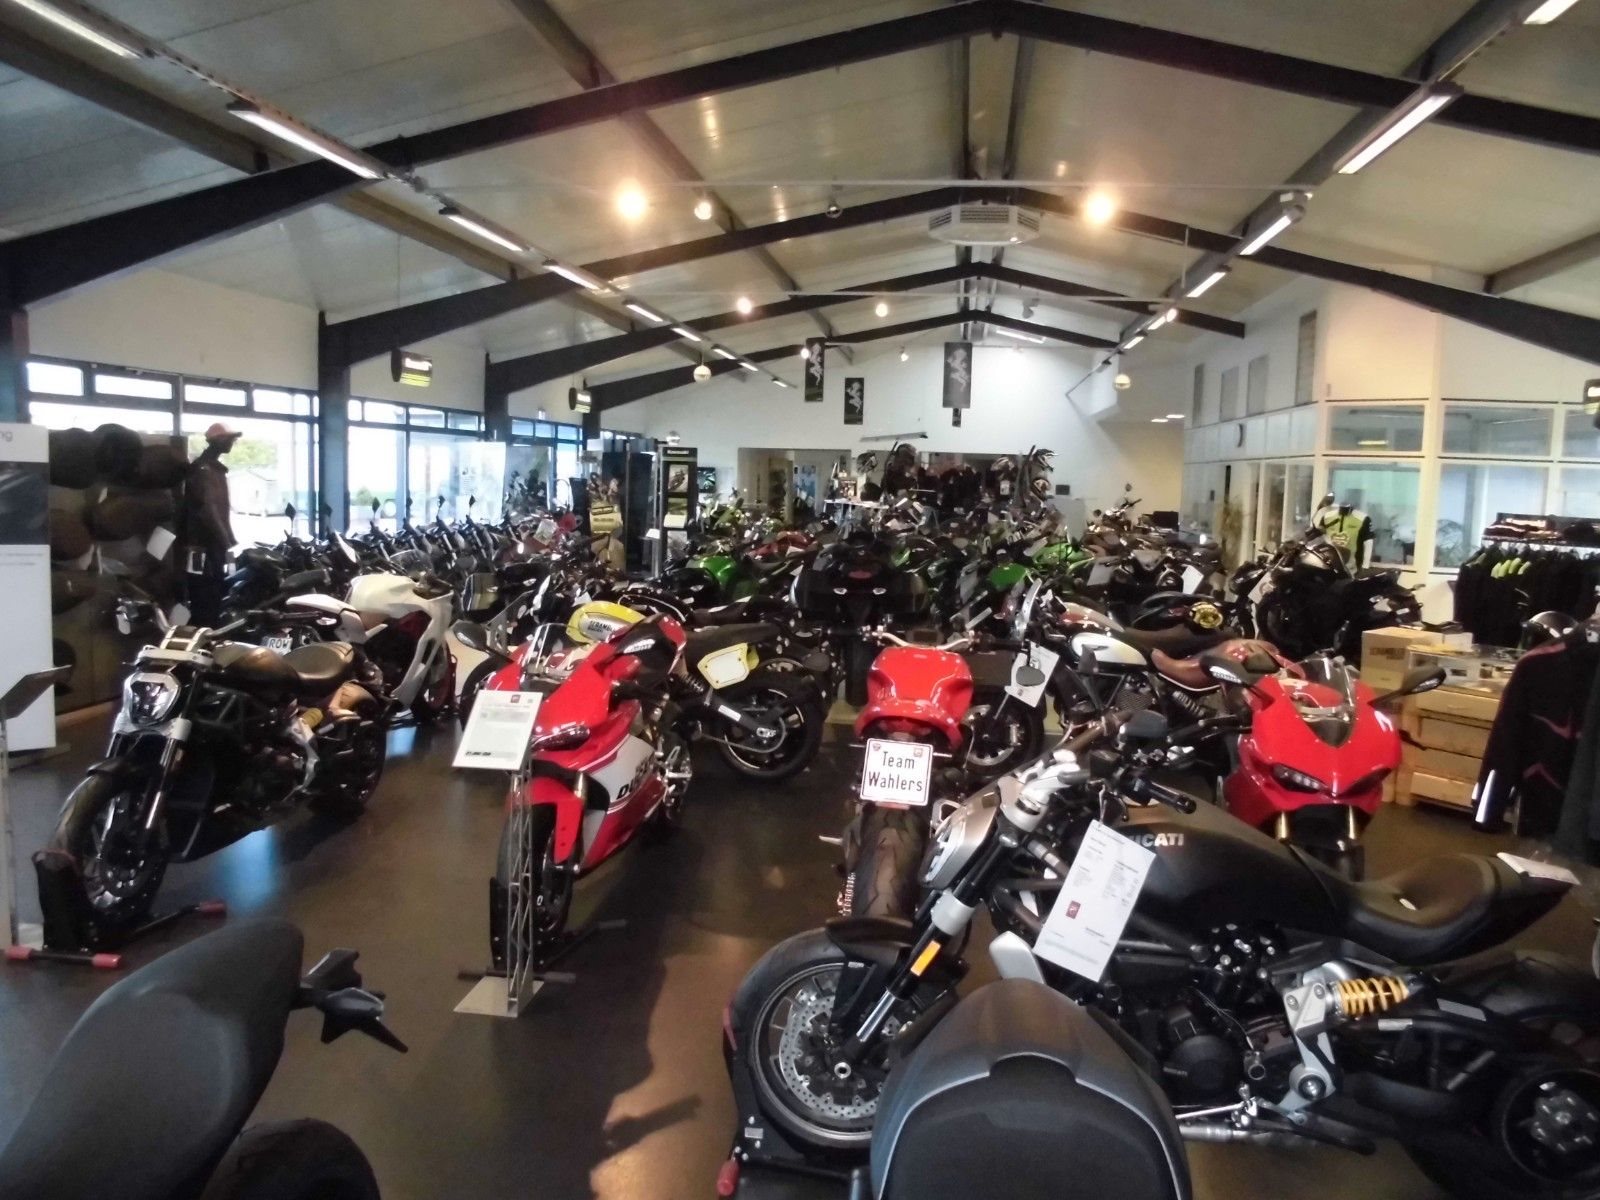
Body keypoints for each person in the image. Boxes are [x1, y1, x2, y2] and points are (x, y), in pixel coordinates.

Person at [182, 422, 240, 626]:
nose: (232, 443)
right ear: (218, 441)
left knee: (215, 591)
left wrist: (229, 540)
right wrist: (226, 541)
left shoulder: (213, 468)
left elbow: (219, 512)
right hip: (200, 547)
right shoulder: (204, 469)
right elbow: (208, 510)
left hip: (211, 545)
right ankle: (204, 633)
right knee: (202, 593)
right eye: (229, 439)